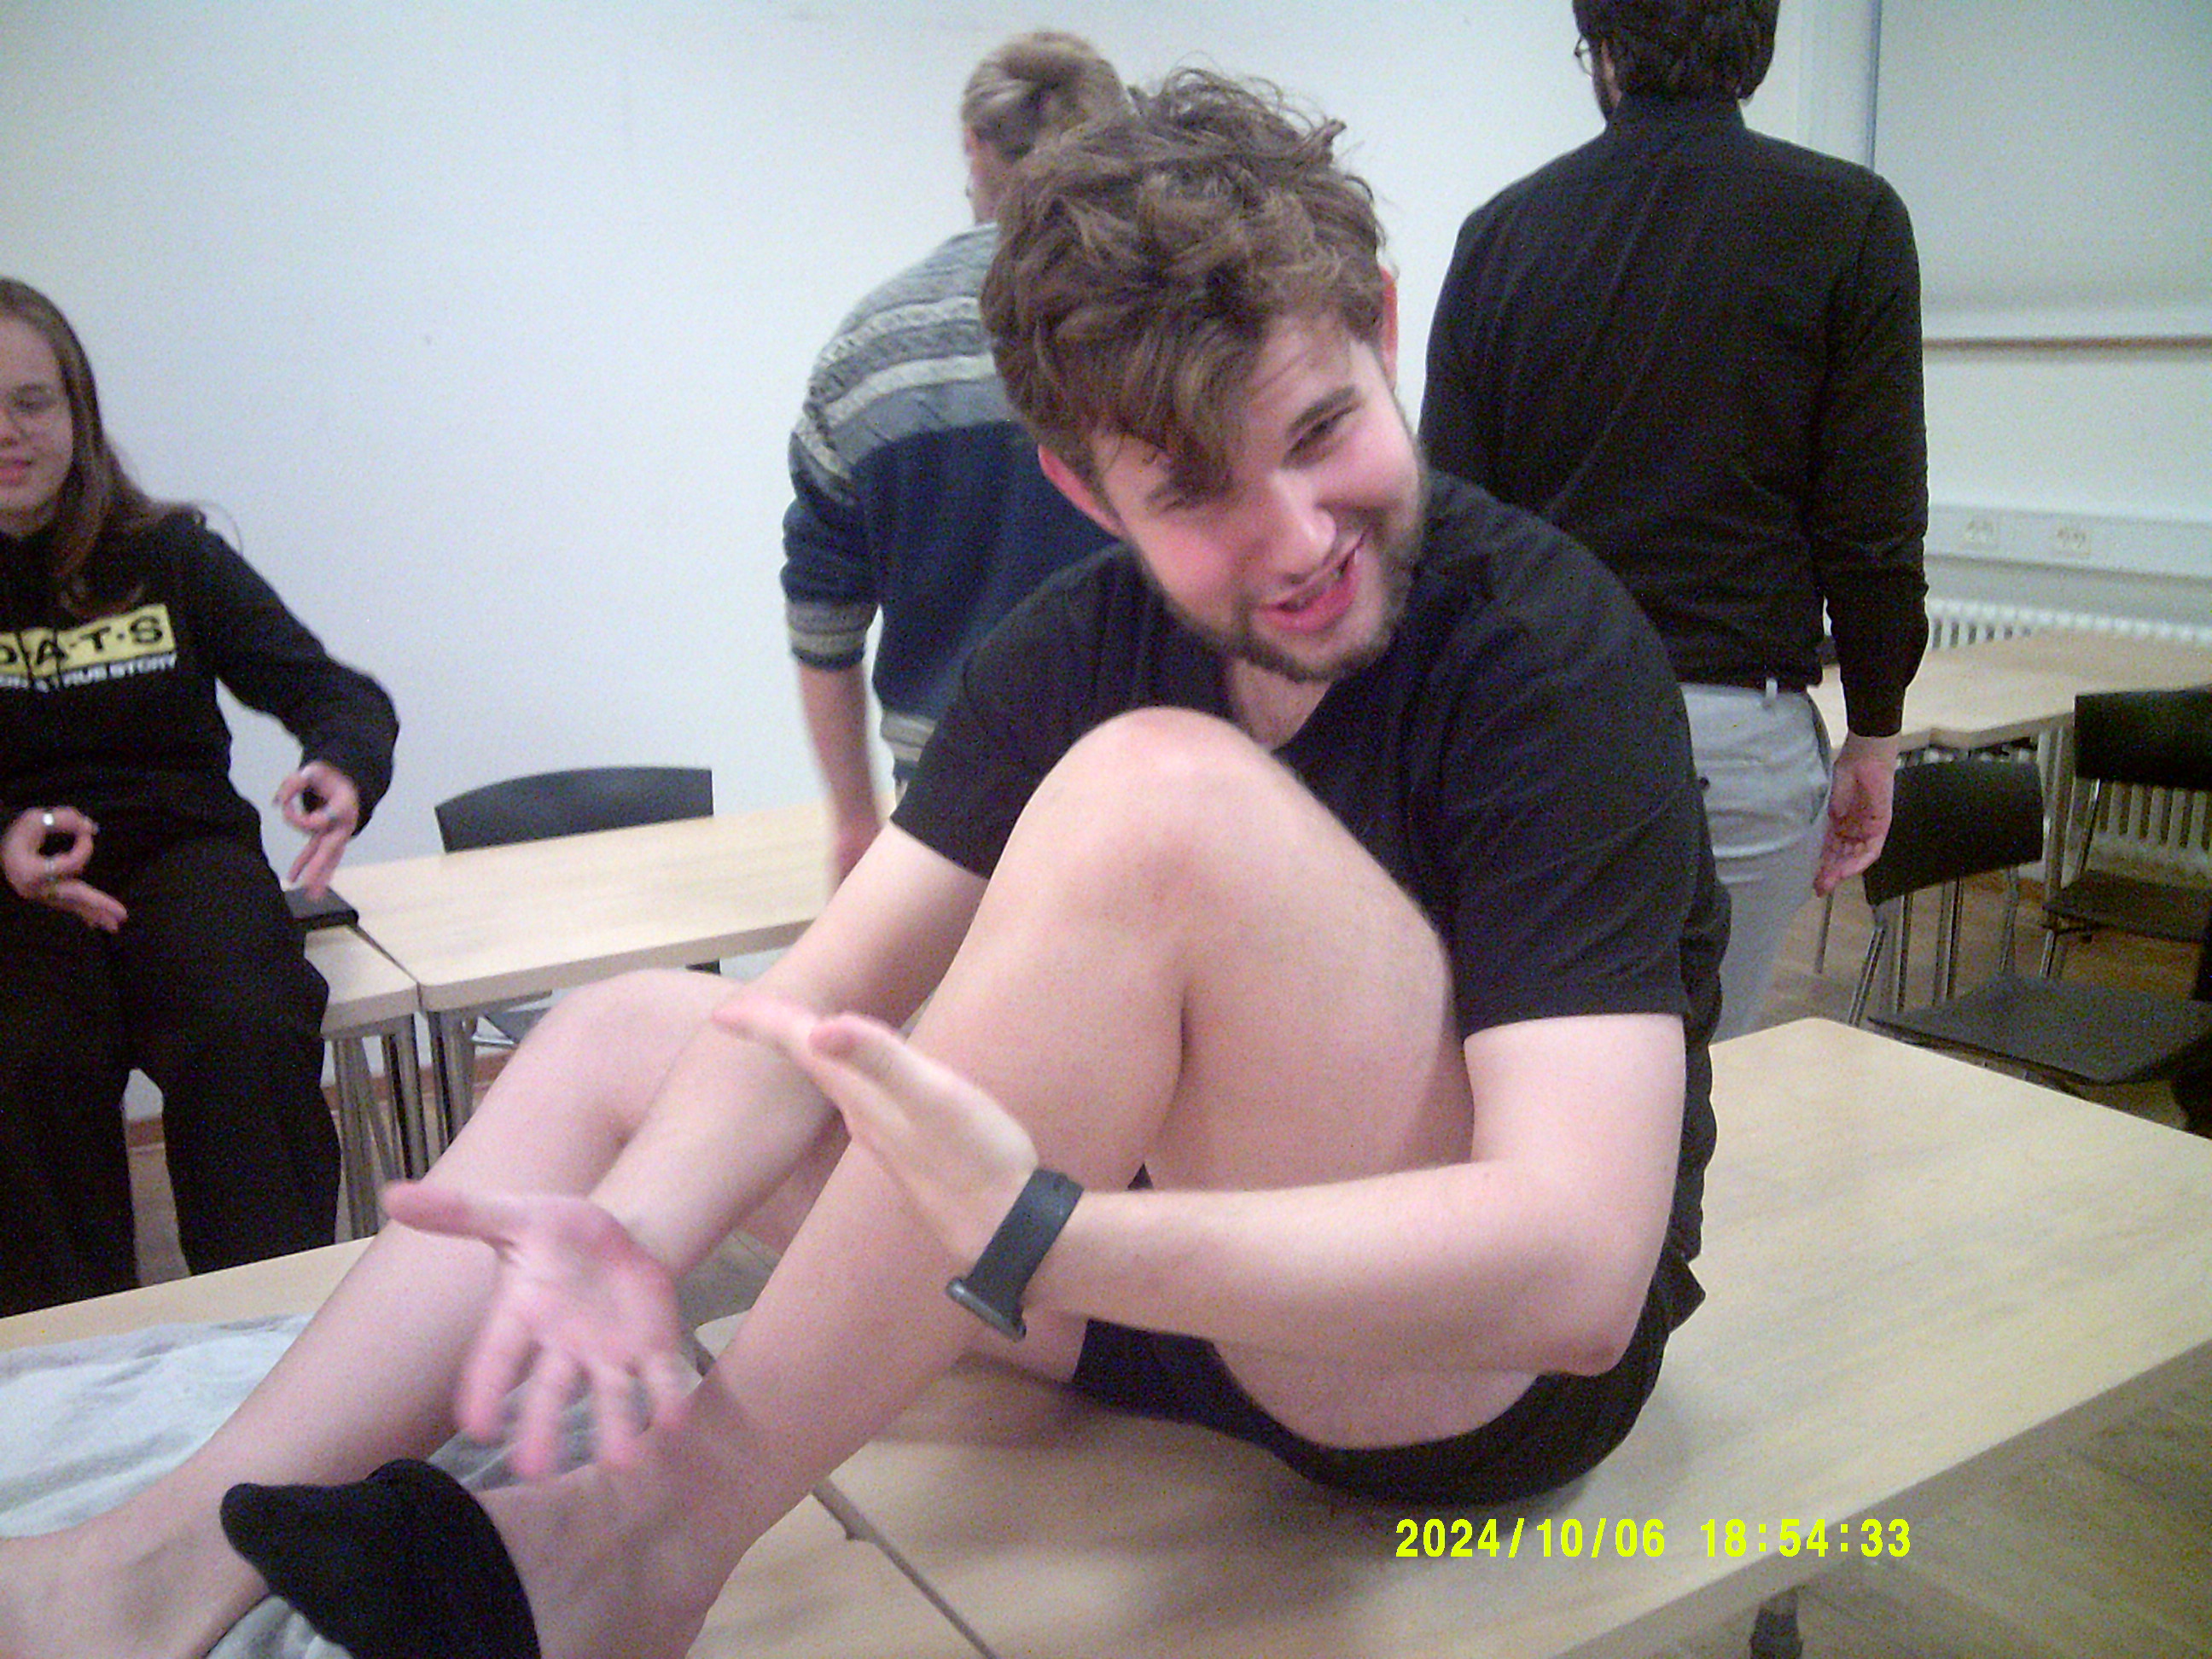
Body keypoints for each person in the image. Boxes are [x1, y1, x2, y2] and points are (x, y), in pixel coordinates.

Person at [0, 73, 1725, 1659]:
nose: (1292, 537)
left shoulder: (1545, 654)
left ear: (1382, 327)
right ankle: (149, 1565)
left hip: (1446, 1377)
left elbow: (1577, 1276)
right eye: (1196, 492)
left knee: (1156, 798)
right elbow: (816, 1009)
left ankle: (650, 1537)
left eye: (1322, 429)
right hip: (1144, 1299)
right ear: (1087, 490)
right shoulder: (1076, 641)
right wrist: (636, 1232)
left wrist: (1046, 1233)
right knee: (625, 1034)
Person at [1420, 0, 1929, 1040]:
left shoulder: (1501, 234)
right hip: (1740, 735)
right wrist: (1874, 732)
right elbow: (1873, 528)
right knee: (1700, 1072)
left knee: (1526, 1066)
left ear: (1605, 52)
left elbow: (1450, 529)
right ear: (1758, 45)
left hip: (1541, 724)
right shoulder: (1850, 220)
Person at [0, 278, 399, 1316]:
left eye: (31, 401)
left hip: (183, 858)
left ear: (77, 410)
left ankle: (272, 1331)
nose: (8, 432)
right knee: (26, 1062)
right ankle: (73, 1355)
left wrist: (342, 767)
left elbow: (333, 692)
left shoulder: (169, 557)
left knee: (244, 1025)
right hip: (14, 885)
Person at [782, 29, 1125, 884]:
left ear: (973, 146)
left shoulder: (868, 351)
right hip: (1157, 792)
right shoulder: (1164, 327)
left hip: (950, 817)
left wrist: (855, 824)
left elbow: (822, 618)